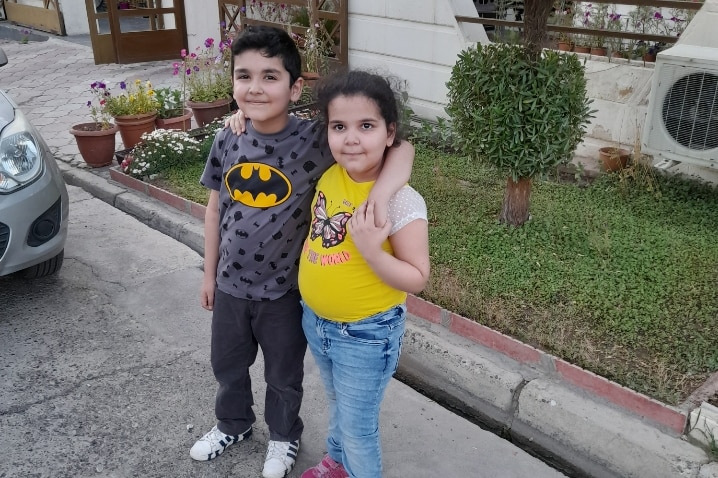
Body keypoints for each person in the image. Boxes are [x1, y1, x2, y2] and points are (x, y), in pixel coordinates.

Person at [191, 26, 415, 478]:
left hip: (283, 292)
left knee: (283, 374)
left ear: (295, 88)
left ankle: (283, 437)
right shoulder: (227, 139)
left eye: (270, 77)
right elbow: (215, 211)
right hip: (232, 286)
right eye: (244, 76)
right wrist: (208, 274)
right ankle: (232, 424)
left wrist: (383, 193)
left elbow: (402, 147)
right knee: (227, 364)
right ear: (232, 83)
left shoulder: (317, 139)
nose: (255, 88)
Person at [298, 70, 430, 478]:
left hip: (366, 334)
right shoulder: (330, 175)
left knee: (359, 428)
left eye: (366, 126)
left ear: (389, 133)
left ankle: (353, 465)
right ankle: (337, 463)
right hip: (317, 322)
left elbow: (417, 277)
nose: (351, 138)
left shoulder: (401, 201)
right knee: (338, 405)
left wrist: (372, 251)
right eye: (339, 126)